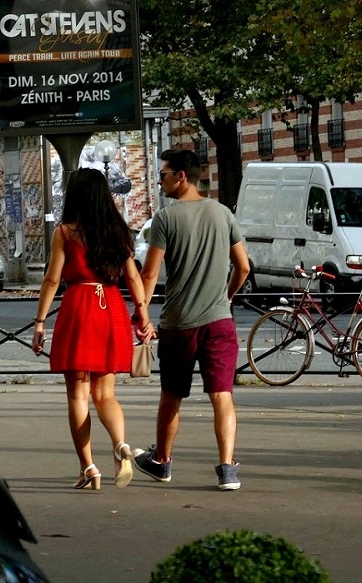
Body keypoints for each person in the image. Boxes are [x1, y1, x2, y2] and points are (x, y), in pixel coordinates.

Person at [134, 149, 251, 491]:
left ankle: (162, 462)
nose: (160, 180)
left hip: (178, 324)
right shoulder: (223, 213)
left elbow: (150, 273)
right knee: (222, 396)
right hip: (219, 323)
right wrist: (225, 298)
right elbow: (243, 267)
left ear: (181, 176)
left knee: (171, 396)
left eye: (164, 174)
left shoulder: (166, 219)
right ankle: (228, 470)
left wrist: (141, 311)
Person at [31, 168, 153, 491]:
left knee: (77, 395)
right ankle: (121, 444)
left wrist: (40, 321)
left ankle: (89, 468)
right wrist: (143, 315)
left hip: (79, 307)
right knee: (106, 394)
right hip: (111, 308)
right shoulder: (118, 231)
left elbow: (53, 280)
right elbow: (134, 278)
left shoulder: (65, 233)